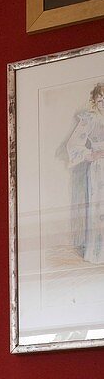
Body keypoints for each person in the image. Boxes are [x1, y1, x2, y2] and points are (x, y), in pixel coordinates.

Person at [66, 81, 104, 264]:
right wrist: (91, 154)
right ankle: (99, 252)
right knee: (100, 208)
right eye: (100, 100)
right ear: (95, 102)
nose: (103, 103)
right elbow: (73, 144)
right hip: (100, 168)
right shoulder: (91, 119)